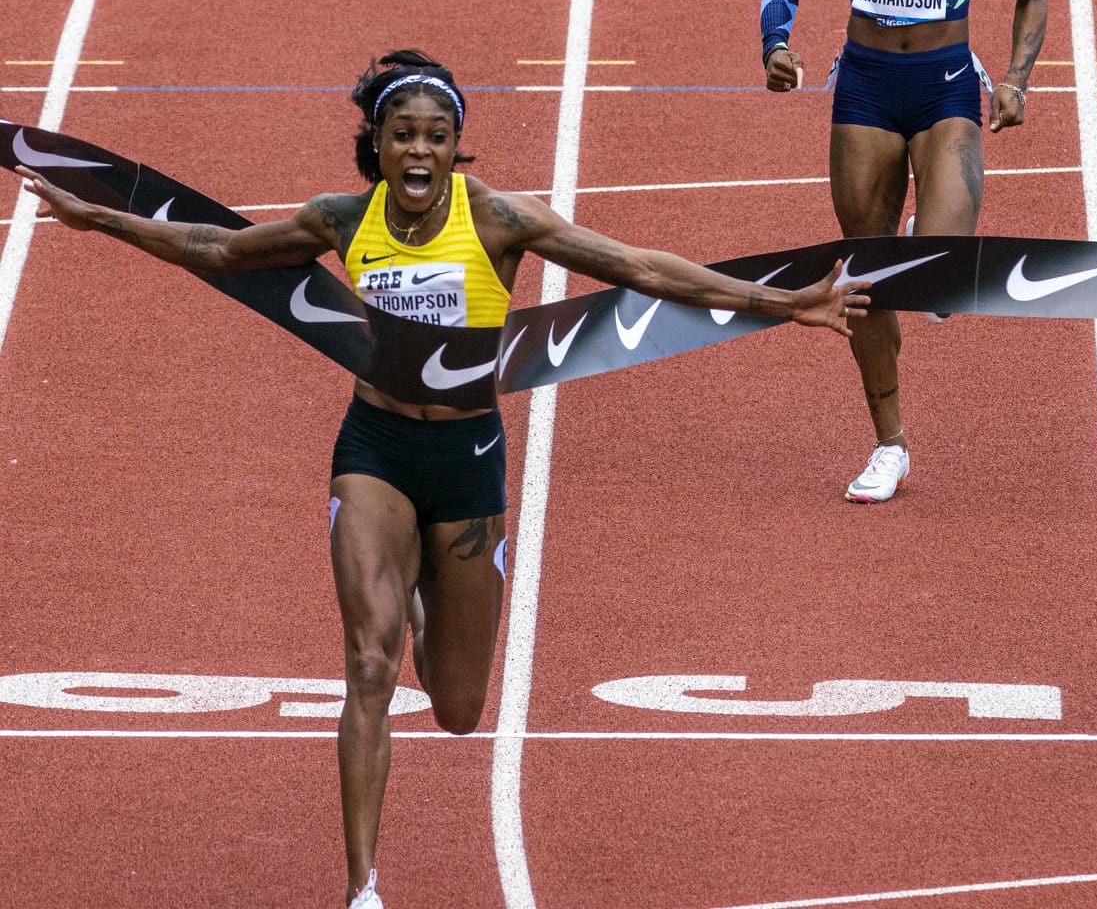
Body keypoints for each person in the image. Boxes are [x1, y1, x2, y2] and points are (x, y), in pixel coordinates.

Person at [17, 50, 869, 907]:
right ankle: (363, 888)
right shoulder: (343, 220)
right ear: (377, 145)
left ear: (457, 146)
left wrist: (784, 304)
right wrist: (105, 220)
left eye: (437, 136)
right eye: (402, 136)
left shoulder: (500, 219)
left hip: (465, 464)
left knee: (459, 708)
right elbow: (224, 248)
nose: (419, 152)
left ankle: (422, 590)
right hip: (376, 449)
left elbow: (641, 268)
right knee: (368, 662)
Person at [760, 0, 1047, 503]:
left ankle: (930, 231)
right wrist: (775, 45)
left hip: (945, 83)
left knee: (935, 271)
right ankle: (890, 445)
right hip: (866, 88)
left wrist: (1015, 80)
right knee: (864, 278)